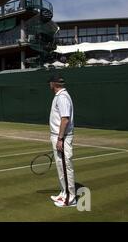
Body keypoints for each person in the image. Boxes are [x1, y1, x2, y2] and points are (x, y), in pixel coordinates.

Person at [48, 74, 76, 207]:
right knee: (60, 166)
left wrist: (60, 138)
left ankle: (70, 198)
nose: (49, 85)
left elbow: (65, 119)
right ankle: (64, 192)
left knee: (66, 166)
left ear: (54, 84)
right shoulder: (59, 96)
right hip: (58, 136)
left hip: (63, 137)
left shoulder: (63, 97)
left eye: (50, 83)